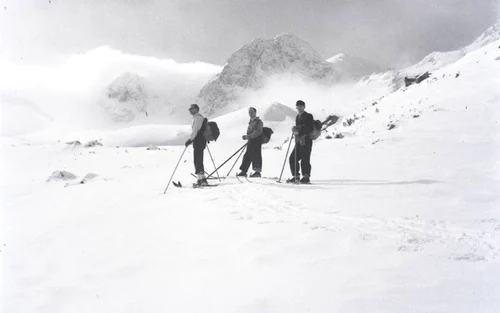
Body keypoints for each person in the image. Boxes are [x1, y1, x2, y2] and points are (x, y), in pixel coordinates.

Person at [287, 100, 314, 184]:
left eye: (301, 106)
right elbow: (300, 128)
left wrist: (299, 131)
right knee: (292, 158)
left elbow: (310, 128)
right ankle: (296, 176)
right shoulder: (297, 117)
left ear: (304, 107)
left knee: (305, 159)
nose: (299, 108)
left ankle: (306, 177)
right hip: (299, 141)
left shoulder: (308, 116)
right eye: (297, 106)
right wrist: (295, 129)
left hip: (306, 141)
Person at [185, 104, 208, 186]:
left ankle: (202, 179)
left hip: (198, 141)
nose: (190, 110)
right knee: (198, 159)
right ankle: (200, 178)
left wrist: (190, 140)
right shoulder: (197, 117)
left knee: (198, 159)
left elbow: (195, 131)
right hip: (200, 141)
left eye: (191, 108)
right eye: (189, 109)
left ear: (196, 109)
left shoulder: (198, 118)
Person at [236, 107, 264, 177]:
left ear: (255, 112)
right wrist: (248, 137)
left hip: (257, 140)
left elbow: (258, 131)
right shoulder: (251, 121)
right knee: (247, 155)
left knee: (256, 155)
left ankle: (257, 172)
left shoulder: (259, 121)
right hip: (251, 140)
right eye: (249, 112)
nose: (250, 113)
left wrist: (248, 136)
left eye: (252, 112)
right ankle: (244, 171)